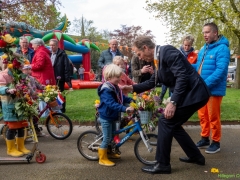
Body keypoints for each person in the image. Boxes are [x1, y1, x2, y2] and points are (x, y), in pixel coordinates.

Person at [123, 36, 210, 174]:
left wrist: (173, 102)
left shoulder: (167, 52)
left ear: (145, 47)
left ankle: (163, 164)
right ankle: (196, 156)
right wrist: (131, 88)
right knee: (172, 124)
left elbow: (182, 76)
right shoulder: (158, 59)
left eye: (139, 54)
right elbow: (152, 82)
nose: (139, 58)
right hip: (192, 94)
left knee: (165, 121)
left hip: (196, 94)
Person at [193, 22, 230, 154]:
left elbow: (220, 71)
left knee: (213, 116)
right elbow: (198, 67)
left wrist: (204, 84)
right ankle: (204, 138)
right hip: (202, 89)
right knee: (203, 115)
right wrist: (185, 66)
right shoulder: (204, 48)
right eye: (203, 32)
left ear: (215, 32)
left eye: (207, 32)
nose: (204, 35)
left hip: (213, 90)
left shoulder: (222, 49)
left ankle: (216, 142)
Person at [97, 64, 134, 167]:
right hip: (106, 116)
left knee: (113, 135)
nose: (120, 79)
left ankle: (110, 152)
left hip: (112, 116)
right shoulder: (106, 90)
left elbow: (122, 98)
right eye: (117, 77)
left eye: (120, 76)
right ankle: (102, 158)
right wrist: (125, 108)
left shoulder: (115, 86)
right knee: (107, 137)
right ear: (109, 78)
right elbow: (111, 103)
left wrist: (132, 100)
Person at [0, 65, 31, 157]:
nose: (21, 68)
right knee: (12, 128)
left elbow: (25, 84)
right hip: (10, 104)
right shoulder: (3, 74)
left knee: (21, 126)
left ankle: (21, 147)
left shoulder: (19, 74)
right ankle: (11, 149)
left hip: (20, 104)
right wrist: (7, 90)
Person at [22, 64, 45, 137]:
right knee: (31, 115)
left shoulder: (32, 78)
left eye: (29, 69)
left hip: (34, 98)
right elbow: (28, 88)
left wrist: (45, 87)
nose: (29, 71)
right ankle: (29, 130)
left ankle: (35, 128)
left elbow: (38, 85)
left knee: (36, 114)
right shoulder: (23, 79)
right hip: (27, 99)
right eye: (27, 69)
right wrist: (33, 92)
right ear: (23, 70)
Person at [49, 39, 72, 112]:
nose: (52, 47)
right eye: (50, 45)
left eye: (53, 45)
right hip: (50, 77)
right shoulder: (48, 53)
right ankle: (54, 108)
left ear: (57, 45)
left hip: (59, 77)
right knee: (51, 93)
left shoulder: (62, 54)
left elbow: (66, 66)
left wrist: (67, 78)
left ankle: (62, 109)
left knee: (60, 93)